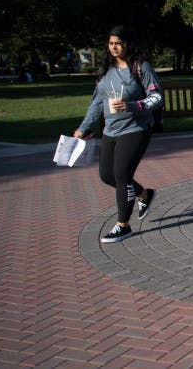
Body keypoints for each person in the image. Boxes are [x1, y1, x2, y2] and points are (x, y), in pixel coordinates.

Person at [74, 26, 163, 243]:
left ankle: (123, 225)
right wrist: (84, 127)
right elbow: (97, 102)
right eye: (111, 43)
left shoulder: (140, 67)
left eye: (119, 43)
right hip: (110, 131)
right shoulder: (105, 69)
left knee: (122, 175)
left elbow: (157, 97)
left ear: (129, 44)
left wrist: (133, 106)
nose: (114, 47)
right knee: (107, 176)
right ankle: (145, 194)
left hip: (135, 129)